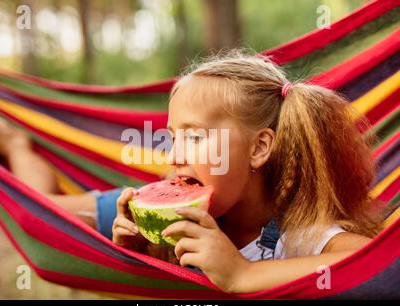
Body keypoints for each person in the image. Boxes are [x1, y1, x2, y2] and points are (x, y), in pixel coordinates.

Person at [111, 52, 382, 293]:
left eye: (194, 138)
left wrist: (244, 273)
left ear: (258, 148)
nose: (173, 157)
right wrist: (142, 253)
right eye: (173, 138)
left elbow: (382, 264)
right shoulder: (189, 229)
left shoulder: (299, 237)